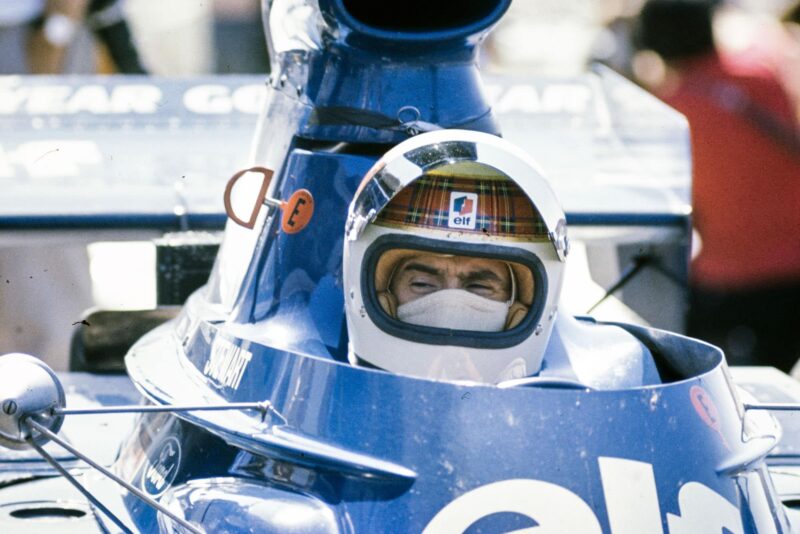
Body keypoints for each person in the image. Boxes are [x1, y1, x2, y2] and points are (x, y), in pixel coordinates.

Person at [343, 129, 661, 386]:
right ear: (381, 293)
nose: (451, 305)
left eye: (480, 287)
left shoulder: (608, 386)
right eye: (423, 283)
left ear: (520, 307)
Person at [637, 0, 800, 371]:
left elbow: (685, 212)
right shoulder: (761, 77)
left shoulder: (670, 111)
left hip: (730, 282)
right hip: (794, 270)